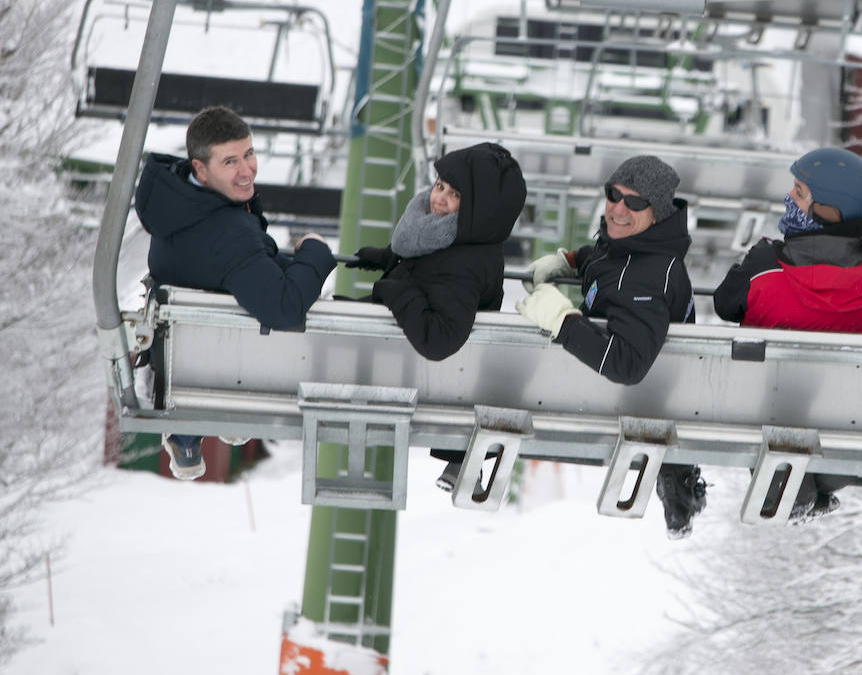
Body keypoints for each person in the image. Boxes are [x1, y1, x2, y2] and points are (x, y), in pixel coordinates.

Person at [134, 105, 335, 480]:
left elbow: (235, 264)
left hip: (174, 354)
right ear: (200, 169)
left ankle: (193, 425)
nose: (246, 170)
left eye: (249, 154)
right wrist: (316, 252)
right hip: (224, 363)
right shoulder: (227, 231)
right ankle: (229, 402)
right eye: (230, 162)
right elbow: (283, 307)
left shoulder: (175, 201)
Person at [712, 146, 862, 527]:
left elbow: (725, 304)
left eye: (800, 192)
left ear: (828, 211)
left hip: (764, 416)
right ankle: (804, 491)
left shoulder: (765, 267)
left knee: (778, 424)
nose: (789, 197)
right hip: (851, 433)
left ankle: (793, 490)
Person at [514, 156, 699, 538]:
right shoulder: (630, 247)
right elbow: (605, 261)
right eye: (614, 194)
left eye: (634, 202)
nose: (618, 208)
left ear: (657, 213)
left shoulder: (650, 276)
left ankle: (675, 476)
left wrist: (562, 320)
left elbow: (627, 364)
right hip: (602, 388)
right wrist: (571, 260)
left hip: (628, 398)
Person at [344, 143, 527, 491]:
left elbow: (440, 338)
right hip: (399, 351)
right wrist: (387, 257)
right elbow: (428, 269)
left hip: (420, 373)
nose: (438, 198)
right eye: (440, 185)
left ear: (479, 209)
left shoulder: (468, 264)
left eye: (454, 194)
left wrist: (393, 290)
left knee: (323, 321)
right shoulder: (453, 236)